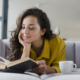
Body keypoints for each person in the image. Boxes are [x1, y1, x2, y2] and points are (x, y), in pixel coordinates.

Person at [7, 7, 66, 74]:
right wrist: (26, 47)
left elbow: (60, 67)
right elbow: (21, 70)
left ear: (43, 31)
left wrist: (46, 69)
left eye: (31, 28)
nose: (25, 32)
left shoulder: (58, 43)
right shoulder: (21, 42)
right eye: (23, 27)